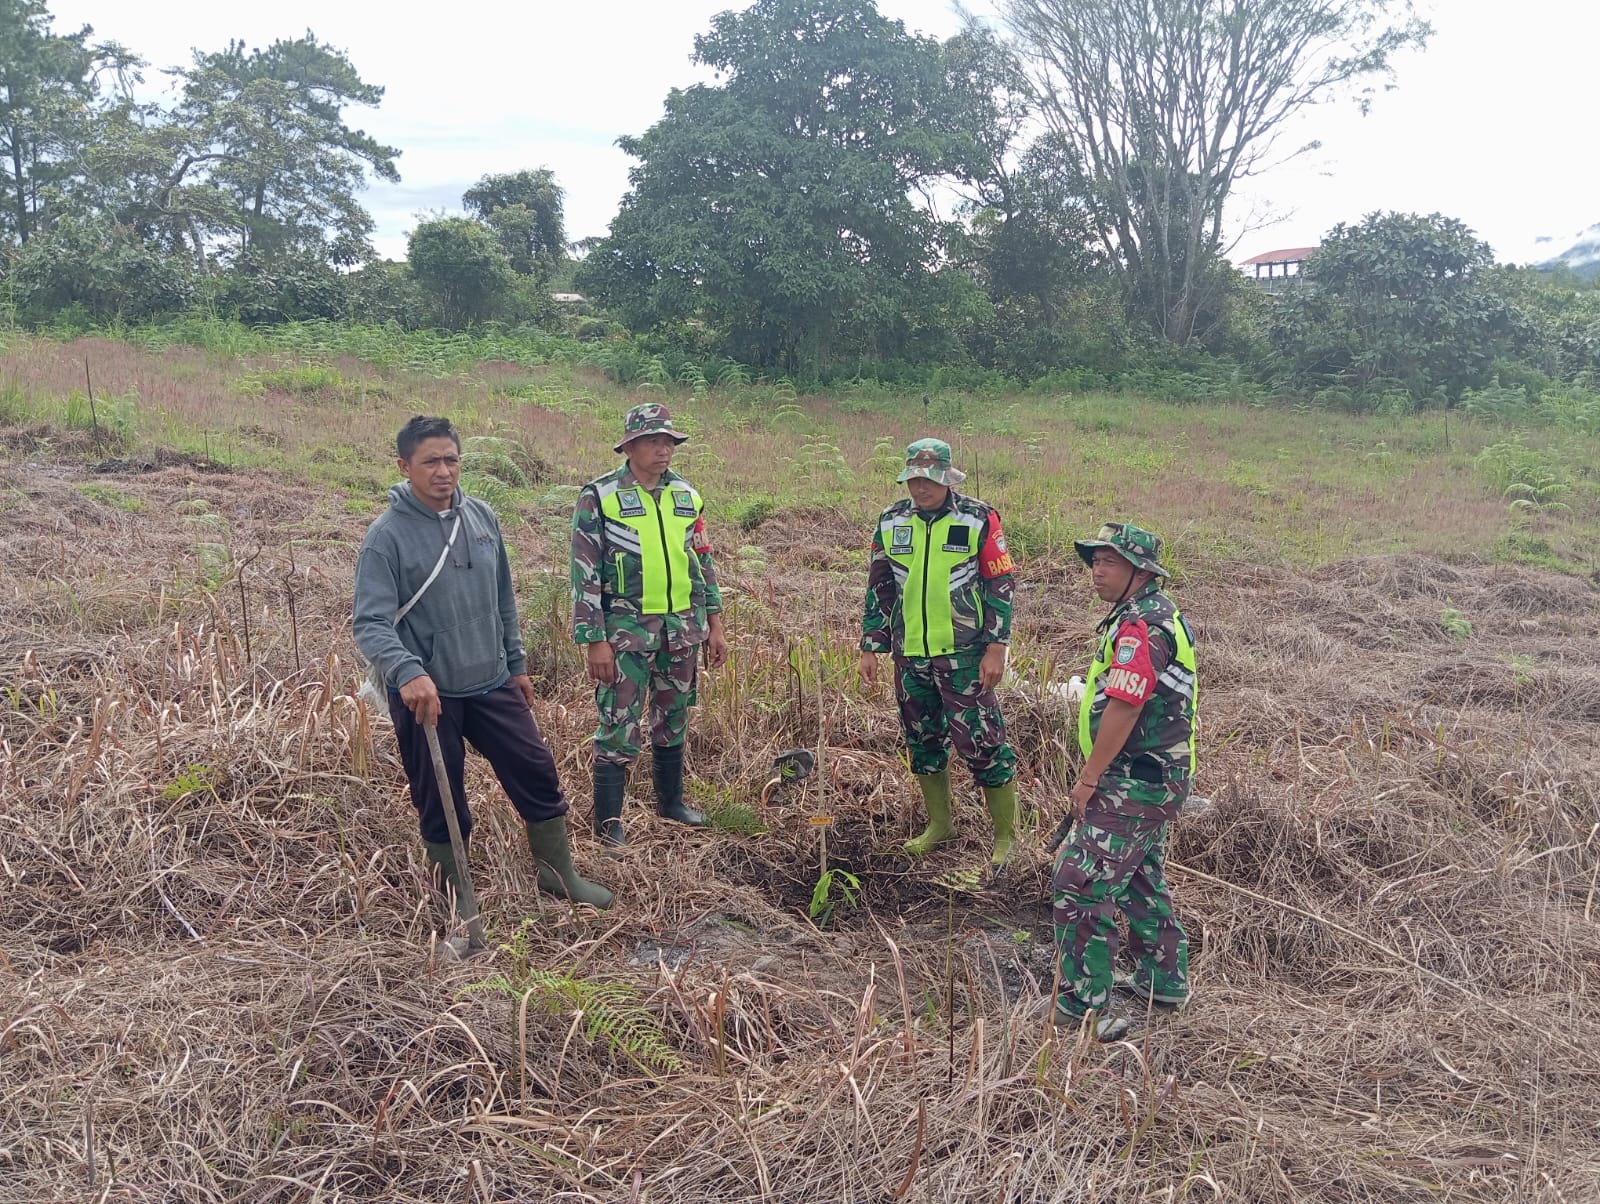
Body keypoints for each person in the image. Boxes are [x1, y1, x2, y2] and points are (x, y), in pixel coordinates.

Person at [353, 415, 612, 914]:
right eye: (430, 461)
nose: (443, 471)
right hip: (429, 693)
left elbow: (502, 599)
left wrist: (515, 664)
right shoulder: (386, 537)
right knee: (440, 792)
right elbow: (370, 623)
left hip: (491, 680)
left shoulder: (482, 517)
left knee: (535, 769)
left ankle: (557, 875)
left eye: (451, 459)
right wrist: (407, 672)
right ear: (405, 466)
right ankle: (456, 898)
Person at [1051, 521, 1197, 1041]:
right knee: (1139, 876)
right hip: (1151, 777)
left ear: (1140, 571)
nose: (1097, 570)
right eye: (1094, 560)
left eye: (1109, 561)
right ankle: (1164, 979)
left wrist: (1089, 779)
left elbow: (1126, 704)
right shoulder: (1147, 615)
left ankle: (1082, 1003)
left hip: (1133, 779)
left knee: (1080, 883)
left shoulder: (1142, 625)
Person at [858, 438, 1019, 879]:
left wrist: (996, 645)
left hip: (966, 654)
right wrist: (873, 644)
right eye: (913, 478)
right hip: (910, 655)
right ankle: (940, 825)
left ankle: (1006, 837)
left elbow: (1000, 583)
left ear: (947, 477)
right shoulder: (892, 520)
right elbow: (880, 587)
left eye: (929, 479)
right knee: (922, 741)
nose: (920, 487)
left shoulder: (978, 518)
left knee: (983, 743)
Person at [570, 403, 727, 848]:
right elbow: (584, 573)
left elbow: (703, 562)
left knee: (674, 716)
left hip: (681, 631)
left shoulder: (686, 496)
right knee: (618, 722)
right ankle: (609, 824)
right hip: (624, 632)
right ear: (630, 446)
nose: (663, 450)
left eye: (669, 442)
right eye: (653, 442)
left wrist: (715, 624)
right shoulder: (600, 497)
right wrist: (594, 639)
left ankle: (671, 803)